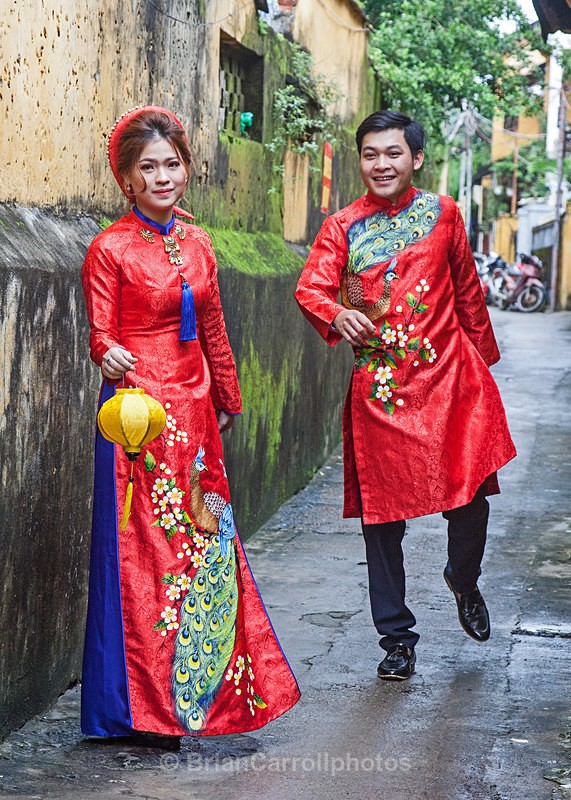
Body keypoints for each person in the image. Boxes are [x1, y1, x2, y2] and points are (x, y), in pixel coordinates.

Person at [81, 106, 300, 742]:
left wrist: (228, 394)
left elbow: (214, 328)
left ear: (187, 169)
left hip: (197, 415)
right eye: (147, 168)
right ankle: (135, 709)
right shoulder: (109, 248)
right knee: (140, 553)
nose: (162, 176)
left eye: (171, 164)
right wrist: (108, 352)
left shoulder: (199, 242)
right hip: (137, 421)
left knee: (203, 548)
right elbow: (101, 332)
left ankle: (198, 699)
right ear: (126, 178)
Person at [295, 110, 516, 681]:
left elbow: (467, 290)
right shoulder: (341, 227)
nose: (381, 164)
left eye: (393, 153)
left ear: (416, 158)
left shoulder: (444, 214)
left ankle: (463, 580)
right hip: (382, 394)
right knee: (382, 523)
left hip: (450, 384)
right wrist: (338, 312)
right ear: (360, 160)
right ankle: (397, 638)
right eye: (370, 154)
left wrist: (483, 369)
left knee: (470, 499)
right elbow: (310, 289)